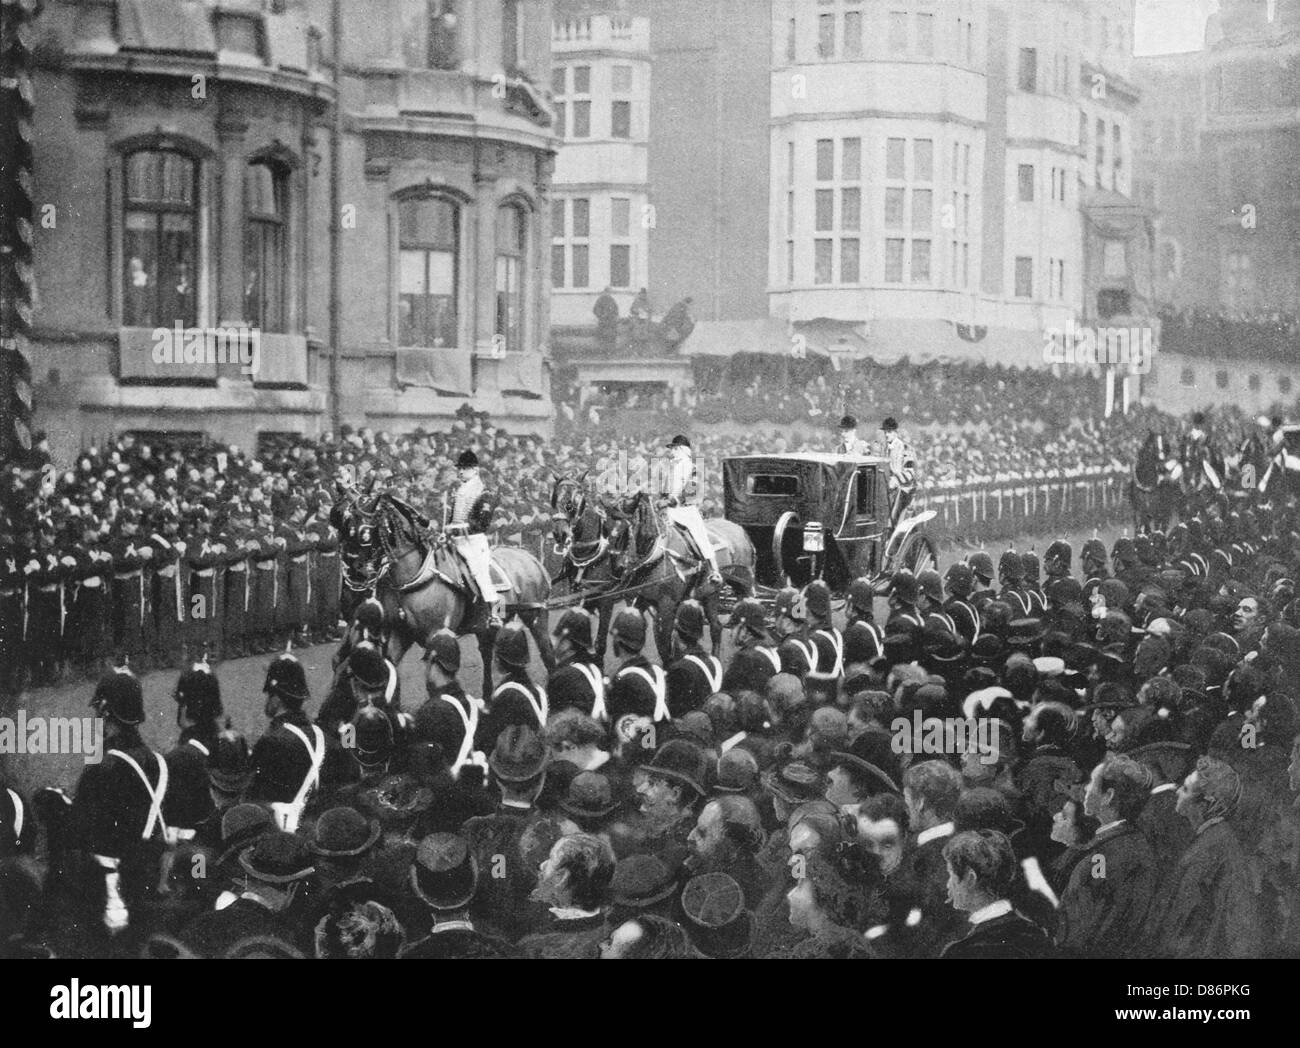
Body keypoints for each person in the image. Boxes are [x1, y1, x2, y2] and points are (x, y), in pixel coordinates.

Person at [1145, 756, 1262, 957]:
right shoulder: (1217, 836)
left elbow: (1183, 923)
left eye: (1186, 789)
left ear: (1206, 804)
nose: (1178, 792)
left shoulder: (1208, 848)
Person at [940, 830, 1054, 958]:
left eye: (951, 875)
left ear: (971, 878)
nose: (948, 885)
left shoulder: (963, 952)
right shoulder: (1036, 935)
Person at [658, 435, 721, 587]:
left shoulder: (692, 467)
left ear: (680, 449)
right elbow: (665, 490)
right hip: (669, 510)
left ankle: (714, 570)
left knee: (700, 536)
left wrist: (671, 501)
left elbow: (690, 490)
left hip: (686, 510)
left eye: (673, 448)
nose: (671, 451)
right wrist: (661, 499)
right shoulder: (670, 467)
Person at [445, 449, 499, 607]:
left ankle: (496, 610)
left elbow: (482, 524)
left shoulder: (484, 493)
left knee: (480, 574)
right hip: (455, 540)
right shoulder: (459, 491)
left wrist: (456, 528)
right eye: (459, 469)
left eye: (464, 468)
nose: (460, 472)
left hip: (473, 541)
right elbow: (453, 518)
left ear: (475, 470)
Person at [880, 417, 917, 526]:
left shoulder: (905, 448)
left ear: (896, 433)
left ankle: (890, 527)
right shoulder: (885, 449)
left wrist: (896, 480)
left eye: (890, 432)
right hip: (889, 488)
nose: (887, 435)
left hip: (904, 489)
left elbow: (910, 473)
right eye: (885, 432)